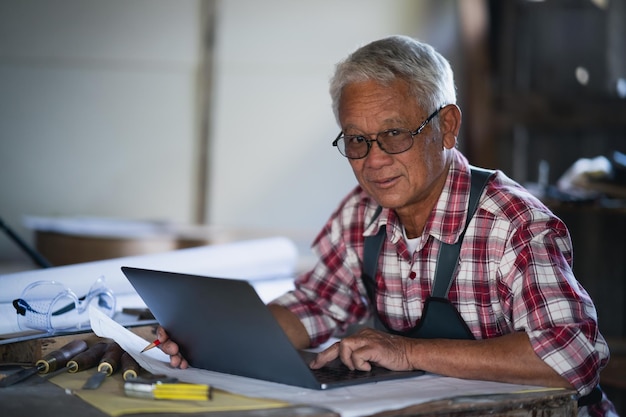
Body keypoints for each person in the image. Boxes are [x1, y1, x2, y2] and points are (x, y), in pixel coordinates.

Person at [158, 35, 616, 416]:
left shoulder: (512, 223)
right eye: (357, 140)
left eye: (394, 133)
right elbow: (315, 304)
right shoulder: (361, 213)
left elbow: (570, 357)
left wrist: (407, 351)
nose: (374, 161)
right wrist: (206, 341)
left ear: (448, 126)